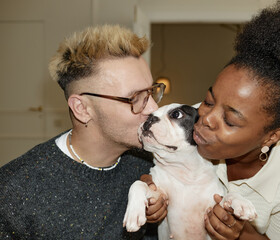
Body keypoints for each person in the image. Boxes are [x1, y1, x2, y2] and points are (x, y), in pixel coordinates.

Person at [143, 2, 280, 240]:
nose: (207, 118)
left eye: (230, 120)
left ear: (272, 136)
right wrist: (149, 186)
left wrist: (242, 233)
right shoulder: (188, 120)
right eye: (209, 100)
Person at [0, 25, 167, 239]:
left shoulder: (157, 161)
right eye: (135, 98)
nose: (154, 109)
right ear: (82, 108)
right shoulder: (13, 191)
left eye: (151, 92)